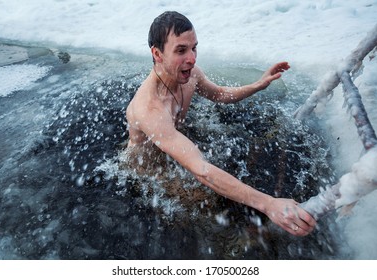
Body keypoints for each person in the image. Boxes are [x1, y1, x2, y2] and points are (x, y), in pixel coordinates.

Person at [126, 11, 316, 236]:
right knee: (212, 206)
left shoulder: (189, 74)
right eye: (181, 50)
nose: (192, 58)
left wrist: (258, 85)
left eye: (194, 48)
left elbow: (220, 94)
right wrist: (268, 204)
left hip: (172, 142)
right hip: (149, 172)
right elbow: (202, 170)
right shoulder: (150, 109)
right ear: (157, 54)